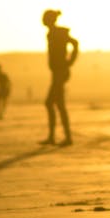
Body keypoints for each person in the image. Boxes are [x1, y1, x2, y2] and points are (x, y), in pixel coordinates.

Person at [41, 9, 78, 146]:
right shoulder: (51, 33)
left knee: (53, 103)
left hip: (60, 72)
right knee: (55, 103)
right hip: (57, 72)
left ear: (50, 20)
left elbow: (75, 43)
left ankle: (65, 138)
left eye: (45, 18)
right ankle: (56, 137)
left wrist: (70, 61)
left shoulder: (58, 32)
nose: (42, 20)